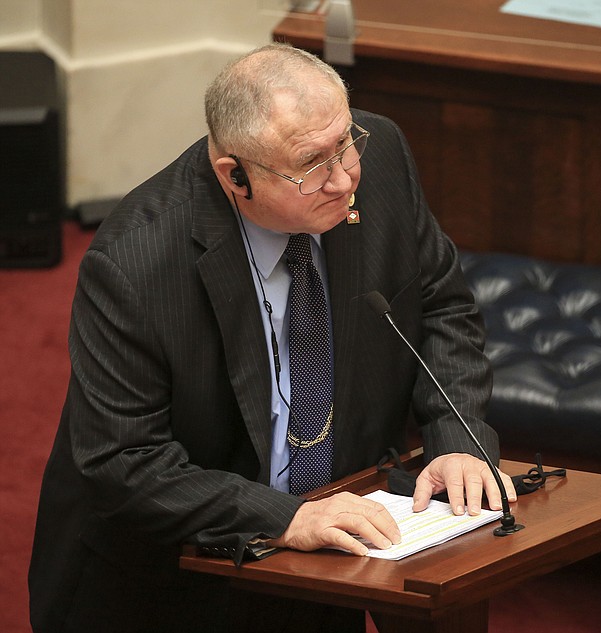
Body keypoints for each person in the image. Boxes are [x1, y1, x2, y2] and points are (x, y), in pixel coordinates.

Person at [28, 42, 515, 633]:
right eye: (314, 164)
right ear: (236, 174)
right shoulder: (136, 261)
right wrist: (285, 518)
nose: (344, 179)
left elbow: (440, 305)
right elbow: (122, 460)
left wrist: (455, 434)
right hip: (184, 568)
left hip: (347, 529)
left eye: (345, 144)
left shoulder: (379, 154)